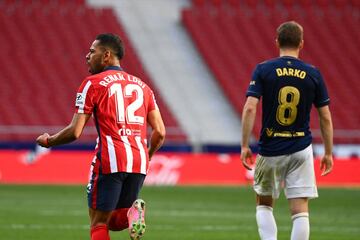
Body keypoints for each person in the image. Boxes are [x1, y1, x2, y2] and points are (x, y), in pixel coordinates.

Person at [36, 33, 166, 240]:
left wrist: (49, 141)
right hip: (138, 162)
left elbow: (75, 131)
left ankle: (131, 213)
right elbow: (160, 132)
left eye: (92, 51)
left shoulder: (92, 84)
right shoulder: (144, 87)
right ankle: (132, 213)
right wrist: (148, 155)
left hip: (111, 159)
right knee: (114, 222)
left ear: (106, 56)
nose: (87, 56)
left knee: (98, 223)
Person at [240, 21, 333, 240]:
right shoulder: (313, 73)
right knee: (300, 209)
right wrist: (328, 153)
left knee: (264, 204)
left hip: (271, 147)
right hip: (301, 147)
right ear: (301, 43)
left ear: (277, 42)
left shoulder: (263, 69)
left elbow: (250, 107)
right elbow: (325, 117)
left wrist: (244, 145)